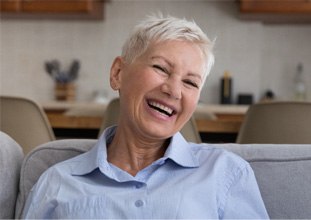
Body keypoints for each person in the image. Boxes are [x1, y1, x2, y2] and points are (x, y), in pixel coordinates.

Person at [22, 15, 269, 219]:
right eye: (161, 68)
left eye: (190, 82)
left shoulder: (225, 173)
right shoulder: (56, 183)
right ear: (118, 72)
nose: (173, 90)